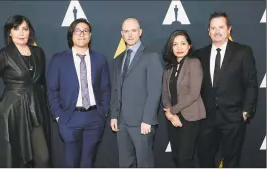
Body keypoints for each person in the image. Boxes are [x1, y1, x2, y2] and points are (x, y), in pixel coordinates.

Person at [0, 15, 51, 167]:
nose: (21, 33)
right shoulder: (4, 55)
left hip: (36, 111)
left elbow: (42, 82)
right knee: (16, 159)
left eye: (25, 29)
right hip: (13, 113)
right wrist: (1, 106)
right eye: (16, 29)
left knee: (43, 158)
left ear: (29, 32)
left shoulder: (38, 52)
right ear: (9, 33)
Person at [195, 12, 258, 167]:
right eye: (213, 28)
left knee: (232, 162)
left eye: (221, 27)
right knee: (205, 161)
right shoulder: (198, 55)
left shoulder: (243, 52)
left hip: (233, 119)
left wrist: (245, 112)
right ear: (208, 31)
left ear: (229, 29)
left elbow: (251, 84)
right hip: (205, 120)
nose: (217, 31)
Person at [46, 18, 110, 168]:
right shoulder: (59, 59)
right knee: (71, 162)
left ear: (90, 35)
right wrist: (58, 115)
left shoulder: (100, 59)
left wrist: (104, 112)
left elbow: (105, 88)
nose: (82, 34)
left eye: (85, 31)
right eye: (77, 31)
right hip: (69, 117)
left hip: (94, 117)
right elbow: (52, 89)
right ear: (71, 35)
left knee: (88, 162)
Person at [110, 18, 163, 167]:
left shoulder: (151, 56)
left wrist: (147, 119)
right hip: (122, 123)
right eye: (126, 31)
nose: (130, 34)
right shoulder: (119, 59)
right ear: (122, 34)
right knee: (125, 163)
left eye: (133, 30)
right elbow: (116, 89)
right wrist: (114, 115)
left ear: (140, 32)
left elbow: (155, 91)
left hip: (142, 123)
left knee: (144, 163)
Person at [162, 30, 206, 168]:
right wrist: (170, 115)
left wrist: (171, 111)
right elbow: (164, 94)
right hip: (173, 118)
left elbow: (194, 94)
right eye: (175, 44)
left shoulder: (194, 63)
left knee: (185, 158)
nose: (179, 47)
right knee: (176, 157)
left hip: (190, 117)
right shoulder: (168, 68)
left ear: (189, 45)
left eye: (183, 43)